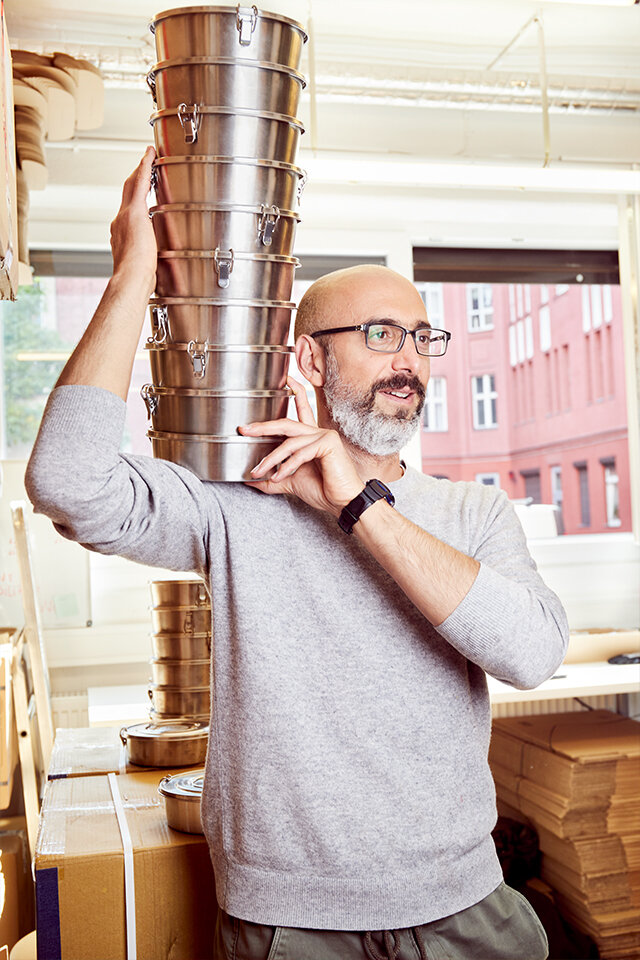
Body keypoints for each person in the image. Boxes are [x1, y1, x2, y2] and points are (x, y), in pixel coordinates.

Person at [26, 149, 568, 960]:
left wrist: (357, 502)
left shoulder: (473, 512)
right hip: (292, 923)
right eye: (381, 334)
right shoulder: (236, 505)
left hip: (465, 907)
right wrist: (134, 272)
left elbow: (531, 653)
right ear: (312, 359)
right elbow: (68, 481)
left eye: (423, 337)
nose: (410, 360)